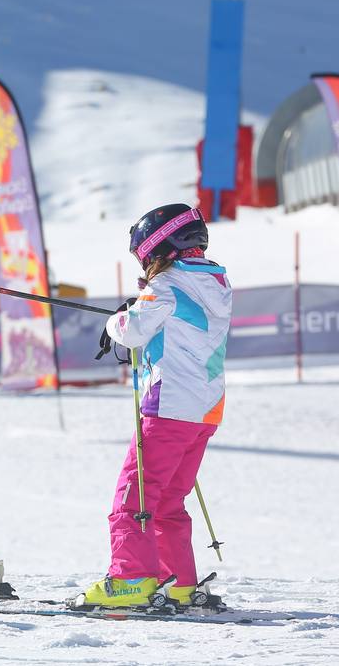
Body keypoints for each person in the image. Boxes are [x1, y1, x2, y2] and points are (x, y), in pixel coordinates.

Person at [79, 205, 230, 609]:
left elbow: (131, 332)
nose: (145, 266)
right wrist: (142, 303)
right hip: (204, 410)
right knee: (167, 499)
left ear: (160, 249)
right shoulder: (215, 281)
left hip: (168, 408)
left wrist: (119, 319)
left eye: (145, 258)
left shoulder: (165, 287)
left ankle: (130, 579)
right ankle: (177, 581)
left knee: (135, 496)